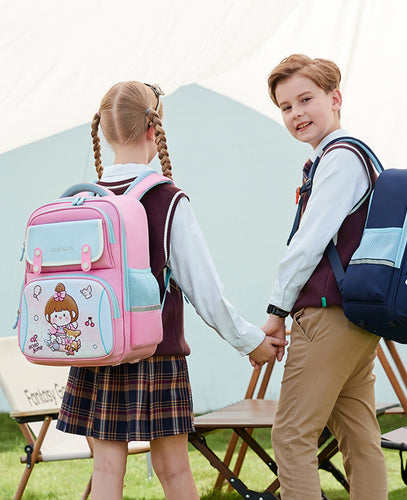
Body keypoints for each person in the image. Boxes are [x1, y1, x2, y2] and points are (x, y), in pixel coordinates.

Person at [56, 81, 287, 500]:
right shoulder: (167, 199)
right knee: (174, 470)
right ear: (153, 128)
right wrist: (249, 340)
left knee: (106, 468)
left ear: (105, 132)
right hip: (155, 353)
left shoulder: (86, 199)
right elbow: (205, 290)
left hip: (97, 349)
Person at [260, 55, 388, 499]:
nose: (296, 113)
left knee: (291, 437)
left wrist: (276, 312)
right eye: (285, 106)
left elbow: (307, 245)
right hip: (355, 320)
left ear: (335, 98)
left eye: (305, 99)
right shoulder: (355, 157)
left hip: (327, 317)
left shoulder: (340, 159)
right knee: (359, 439)